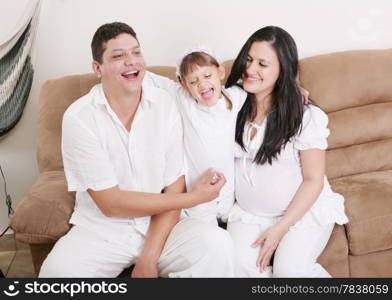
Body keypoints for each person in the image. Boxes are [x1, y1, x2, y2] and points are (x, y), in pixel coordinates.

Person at [39, 22, 234, 278]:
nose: (131, 61)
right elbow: (111, 204)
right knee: (55, 275)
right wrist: (195, 197)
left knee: (218, 245)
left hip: (162, 225)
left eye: (137, 52)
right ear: (98, 68)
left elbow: (173, 188)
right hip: (101, 230)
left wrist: (148, 259)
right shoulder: (79, 117)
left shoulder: (166, 104)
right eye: (119, 56)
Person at [225, 26, 349, 277]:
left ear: (283, 70)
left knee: (289, 272)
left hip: (302, 213)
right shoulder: (231, 103)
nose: (250, 70)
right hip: (249, 214)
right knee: (238, 268)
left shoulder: (306, 117)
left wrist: (281, 228)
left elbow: (313, 181)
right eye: (248, 60)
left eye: (262, 64)